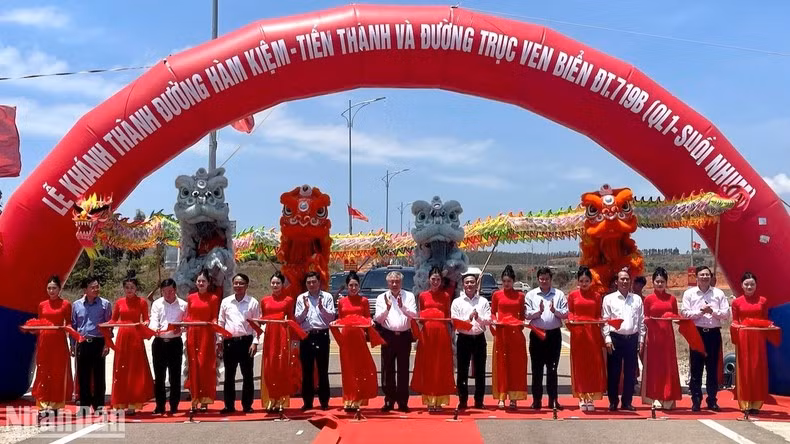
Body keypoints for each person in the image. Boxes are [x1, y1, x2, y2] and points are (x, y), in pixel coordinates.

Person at [681, 265, 730, 412]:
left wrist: (712, 311)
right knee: (696, 368)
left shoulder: (718, 293)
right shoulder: (689, 294)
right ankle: (696, 400)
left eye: (707, 275)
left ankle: (712, 400)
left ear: (711, 277)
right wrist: (700, 312)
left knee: (712, 368)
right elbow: (684, 313)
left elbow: (726, 314)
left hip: (713, 333)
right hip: (696, 333)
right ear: (696, 277)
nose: (704, 277)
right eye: (702, 275)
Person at [411, 266, 456, 411]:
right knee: (428, 366)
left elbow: (448, 315)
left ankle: (440, 400)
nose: (435, 282)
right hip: (427, 335)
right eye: (433, 279)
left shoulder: (446, 296)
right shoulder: (423, 296)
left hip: (442, 334)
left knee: (440, 366)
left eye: (438, 279)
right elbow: (421, 315)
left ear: (441, 281)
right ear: (429, 280)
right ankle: (429, 400)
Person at [109, 272, 154, 415]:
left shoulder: (141, 302)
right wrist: (104, 326)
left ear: (136, 289)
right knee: (121, 370)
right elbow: (113, 320)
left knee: (134, 370)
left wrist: (146, 323)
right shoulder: (119, 302)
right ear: (124, 288)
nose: (129, 290)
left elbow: (146, 319)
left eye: (132, 287)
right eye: (127, 287)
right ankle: (120, 403)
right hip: (122, 338)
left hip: (135, 338)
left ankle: (133, 404)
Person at [525, 267, 568, 410]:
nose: (544, 281)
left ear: (551, 280)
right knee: (536, 369)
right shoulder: (531, 295)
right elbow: (526, 314)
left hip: (553, 335)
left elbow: (566, 313)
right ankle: (536, 400)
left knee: (552, 369)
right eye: (541, 279)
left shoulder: (559, 294)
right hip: (537, 334)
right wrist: (539, 312)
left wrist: (555, 311)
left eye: (547, 279)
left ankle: (553, 399)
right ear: (538, 279)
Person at [731, 272, 774, 415]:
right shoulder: (737, 302)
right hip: (743, 338)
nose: (749, 286)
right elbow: (735, 321)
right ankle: (745, 402)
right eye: (746, 284)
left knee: (757, 369)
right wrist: (738, 327)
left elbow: (765, 320)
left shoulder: (763, 300)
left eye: (752, 284)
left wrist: (770, 326)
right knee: (744, 369)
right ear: (741, 286)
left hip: (758, 339)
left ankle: (757, 402)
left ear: (756, 285)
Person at [374, 270, 417, 413]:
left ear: (401, 283)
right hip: (388, 335)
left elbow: (414, 315)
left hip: (404, 336)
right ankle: (389, 400)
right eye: (392, 282)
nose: (394, 284)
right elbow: (377, 319)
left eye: (397, 282)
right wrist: (387, 309)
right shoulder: (382, 297)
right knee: (387, 369)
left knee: (403, 370)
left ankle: (403, 402)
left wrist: (402, 306)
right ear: (387, 283)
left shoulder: (409, 296)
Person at [218, 273, 261, 414]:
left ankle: (247, 405)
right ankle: (229, 405)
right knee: (229, 376)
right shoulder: (226, 302)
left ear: (247, 285)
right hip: (229, 342)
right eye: (236, 283)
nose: (238, 286)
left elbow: (256, 325)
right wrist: (219, 341)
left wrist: (255, 342)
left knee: (247, 375)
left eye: (241, 283)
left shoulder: (253, 302)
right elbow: (221, 322)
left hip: (246, 342)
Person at [602, 270, 645, 411]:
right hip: (615, 338)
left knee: (630, 372)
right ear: (616, 281)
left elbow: (641, 321)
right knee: (614, 371)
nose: (625, 282)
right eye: (622, 279)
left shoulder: (637, 299)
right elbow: (605, 321)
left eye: (627, 279)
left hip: (632, 338)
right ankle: (613, 401)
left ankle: (627, 401)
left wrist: (641, 339)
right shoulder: (609, 299)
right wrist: (607, 338)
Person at [335, 271, 378, 411]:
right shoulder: (342, 302)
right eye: (350, 285)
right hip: (346, 339)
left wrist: (370, 324)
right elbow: (341, 319)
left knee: (360, 369)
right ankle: (348, 398)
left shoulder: (364, 301)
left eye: (355, 285)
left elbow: (367, 318)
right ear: (347, 286)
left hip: (359, 339)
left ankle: (359, 398)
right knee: (347, 370)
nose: (353, 288)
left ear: (359, 286)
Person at [640, 267, 682, 410]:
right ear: (653, 282)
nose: (659, 284)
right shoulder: (648, 300)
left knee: (668, 367)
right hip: (653, 338)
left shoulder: (672, 299)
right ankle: (655, 397)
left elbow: (675, 316)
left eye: (662, 282)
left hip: (667, 339)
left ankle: (668, 397)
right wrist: (650, 320)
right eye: (657, 281)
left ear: (666, 283)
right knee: (654, 368)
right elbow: (644, 317)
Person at [294, 271, 336, 411]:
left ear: (319, 283)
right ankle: (307, 402)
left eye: (314, 282)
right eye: (308, 282)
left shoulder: (327, 297)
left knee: (323, 370)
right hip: (306, 336)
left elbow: (331, 318)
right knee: (307, 371)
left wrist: (321, 308)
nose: (311, 285)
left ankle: (324, 402)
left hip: (322, 335)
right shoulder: (301, 298)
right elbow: (297, 319)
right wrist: (305, 309)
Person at [566, 266, 606, 412]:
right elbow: (569, 313)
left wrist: (602, 321)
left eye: (587, 281)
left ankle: (591, 397)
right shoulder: (573, 295)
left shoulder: (596, 296)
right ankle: (582, 396)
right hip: (578, 335)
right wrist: (572, 321)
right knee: (580, 366)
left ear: (591, 281)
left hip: (593, 334)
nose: (584, 283)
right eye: (581, 281)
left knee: (592, 366)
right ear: (578, 281)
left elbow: (598, 315)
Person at [71, 275, 112, 415]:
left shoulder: (105, 304)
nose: (95, 289)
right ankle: (84, 406)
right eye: (92, 287)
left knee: (99, 375)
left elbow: (109, 327)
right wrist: (72, 344)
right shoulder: (76, 305)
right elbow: (74, 326)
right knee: (83, 376)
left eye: (97, 287)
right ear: (85, 289)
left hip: (99, 342)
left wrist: (107, 344)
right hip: (82, 342)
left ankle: (99, 406)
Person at [32, 275, 73, 414]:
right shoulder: (42, 305)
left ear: (59, 289)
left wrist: (66, 329)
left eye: (54, 288)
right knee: (43, 370)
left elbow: (69, 323)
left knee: (57, 371)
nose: (51, 291)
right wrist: (33, 329)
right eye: (49, 288)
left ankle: (55, 404)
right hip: (44, 340)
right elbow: (39, 322)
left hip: (59, 341)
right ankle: (43, 403)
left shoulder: (66, 304)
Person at [451, 271, 491, 409]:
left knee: (480, 371)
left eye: (472, 282)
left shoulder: (483, 301)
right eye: (467, 282)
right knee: (462, 370)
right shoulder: (457, 302)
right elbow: (455, 322)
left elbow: (488, 320)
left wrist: (478, 318)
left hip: (479, 338)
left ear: (476, 285)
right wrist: (468, 318)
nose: (469, 285)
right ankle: (462, 399)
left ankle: (479, 400)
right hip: (463, 338)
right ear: (463, 285)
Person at [491, 265, 527, 409]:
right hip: (501, 333)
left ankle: (514, 397)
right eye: (504, 281)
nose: (507, 284)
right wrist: (495, 321)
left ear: (514, 281)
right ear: (501, 281)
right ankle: (501, 396)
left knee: (515, 367)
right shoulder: (496, 295)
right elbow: (493, 313)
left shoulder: (520, 296)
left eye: (509, 281)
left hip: (516, 335)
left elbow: (522, 316)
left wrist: (519, 325)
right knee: (501, 365)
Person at [149, 278, 186, 415]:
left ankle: (174, 405)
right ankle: (159, 405)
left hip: (175, 343)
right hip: (159, 342)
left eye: (170, 291)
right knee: (159, 376)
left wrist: (181, 329)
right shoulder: (157, 304)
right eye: (164, 291)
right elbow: (153, 320)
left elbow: (186, 324)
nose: (168, 294)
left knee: (174, 376)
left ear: (175, 290)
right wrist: (154, 329)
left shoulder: (183, 305)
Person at [184, 270, 221, 411]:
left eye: (203, 281)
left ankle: (205, 400)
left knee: (204, 365)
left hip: (206, 333)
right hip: (192, 333)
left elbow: (214, 316)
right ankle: (194, 398)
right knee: (193, 366)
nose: (201, 283)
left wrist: (214, 325)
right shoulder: (191, 297)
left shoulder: (213, 298)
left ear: (208, 283)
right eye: (199, 281)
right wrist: (183, 323)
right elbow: (188, 315)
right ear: (196, 282)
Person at [260, 271, 296, 412]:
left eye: (278, 283)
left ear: (282, 284)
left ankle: (281, 399)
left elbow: (291, 319)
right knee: (269, 367)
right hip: (270, 335)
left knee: (281, 367)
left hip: (282, 335)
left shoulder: (288, 300)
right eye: (273, 283)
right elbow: (263, 319)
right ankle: (271, 398)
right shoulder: (265, 300)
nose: (275, 285)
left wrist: (293, 338)